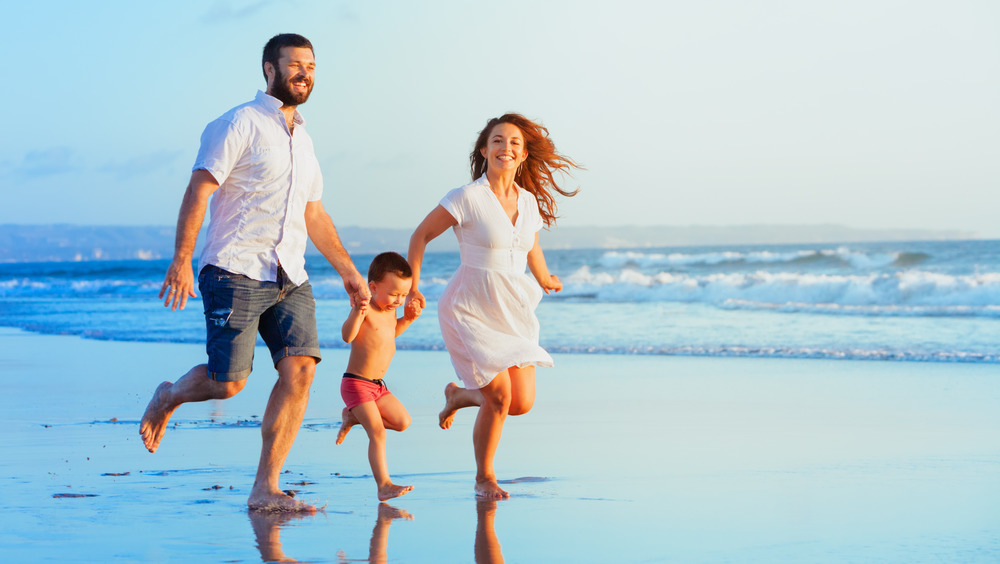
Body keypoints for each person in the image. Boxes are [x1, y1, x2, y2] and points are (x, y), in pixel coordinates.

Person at [139, 33, 370, 513]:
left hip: (291, 274)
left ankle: (266, 485)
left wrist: (348, 270)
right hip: (234, 269)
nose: (305, 73)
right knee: (228, 384)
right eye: (295, 64)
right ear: (269, 69)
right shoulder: (237, 123)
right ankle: (171, 394)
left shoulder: (304, 141)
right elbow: (199, 190)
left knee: (301, 370)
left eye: (311, 65)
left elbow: (315, 214)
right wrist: (182, 259)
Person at [407, 113, 579, 499]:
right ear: (484, 150)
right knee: (499, 395)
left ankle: (460, 395)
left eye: (514, 142)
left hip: (512, 306)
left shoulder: (528, 201)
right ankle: (485, 477)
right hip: (469, 306)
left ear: (523, 154)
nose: (506, 148)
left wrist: (545, 276)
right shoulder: (466, 197)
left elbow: (530, 243)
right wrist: (413, 288)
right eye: (498, 141)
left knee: (521, 403)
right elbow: (420, 236)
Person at [335, 252, 421, 501]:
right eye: (394, 294)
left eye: (403, 295)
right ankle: (384, 485)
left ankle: (352, 417)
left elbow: (390, 334)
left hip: (378, 387)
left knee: (402, 422)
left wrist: (409, 319)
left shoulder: (389, 311)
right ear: (372, 288)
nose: (399, 300)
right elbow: (347, 336)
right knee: (378, 433)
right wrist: (357, 313)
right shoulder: (366, 309)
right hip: (356, 384)